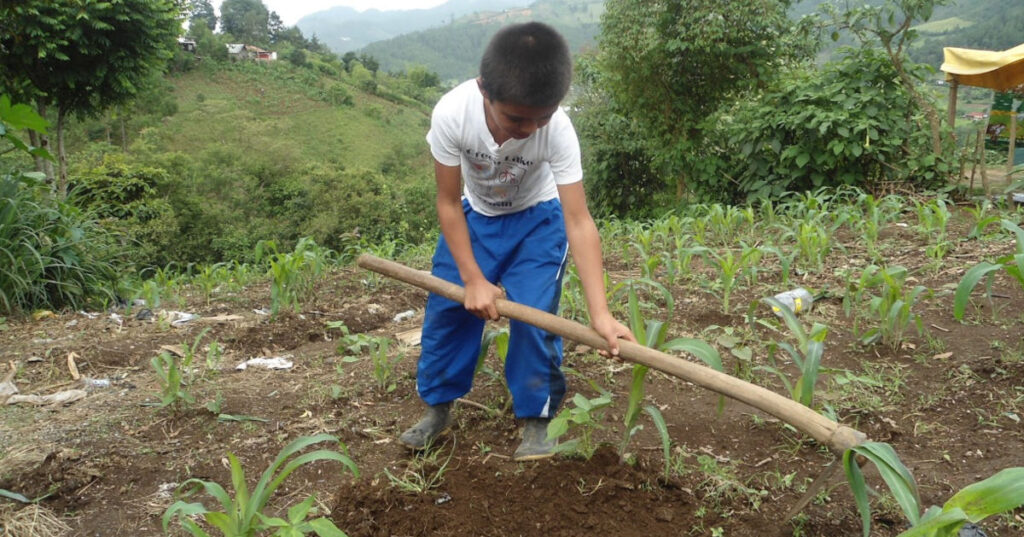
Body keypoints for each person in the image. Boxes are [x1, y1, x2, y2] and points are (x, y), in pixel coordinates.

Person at [399, 21, 635, 461]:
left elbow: (578, 221)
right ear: (483, 88)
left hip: (538, 222)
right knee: (448, 311)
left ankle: (536, 422)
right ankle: (437, 409)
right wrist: (472, 279)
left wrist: (600, 314)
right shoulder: (453, 113)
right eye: (515, 118)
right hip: (475, 218)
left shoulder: (558, 129)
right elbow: (448, 203)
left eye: (542, 117)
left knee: (535, 318)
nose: (529, 129)